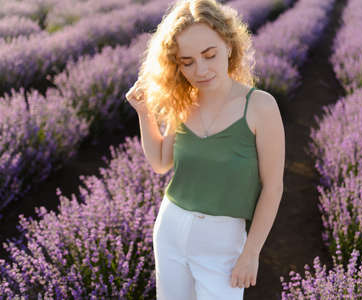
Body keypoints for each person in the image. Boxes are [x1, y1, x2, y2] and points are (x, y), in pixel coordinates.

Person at [125, 0, 285, 299]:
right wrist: (144, 113)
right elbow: (161, 162)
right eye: (187, 61)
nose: (200, 69)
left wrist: (251, 252)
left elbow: (273, 187)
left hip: (223, 240)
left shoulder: (260, 106)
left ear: (228, 44)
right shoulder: (184, 102)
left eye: (209, 55)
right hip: (171, 228)